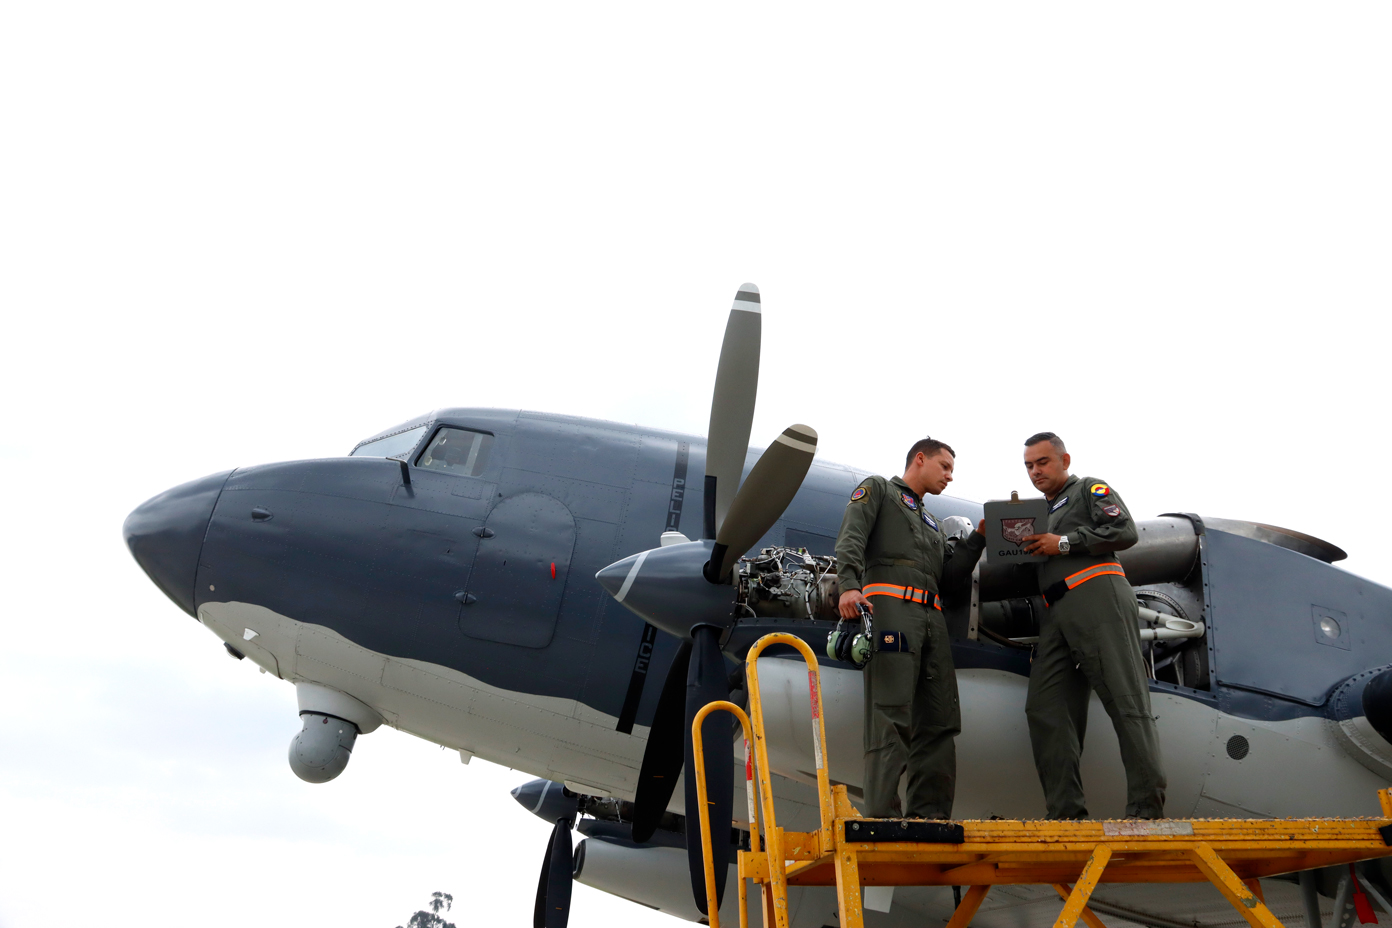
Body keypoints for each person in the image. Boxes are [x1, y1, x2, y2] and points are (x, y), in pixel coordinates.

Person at [834, 437, 985, 819]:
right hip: (892, 613)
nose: (950, 476)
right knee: (891, 713)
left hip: (931, 619)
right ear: (920, 459)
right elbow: (852, 537)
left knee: (940, 719)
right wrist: (849, 585)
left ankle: (929, 815)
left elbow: (949, 578)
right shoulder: (879, 490)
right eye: (945, 467)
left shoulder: (932, 522)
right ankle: (882, 814)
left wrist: (979, 539)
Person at [1019, 431, 1166, 819]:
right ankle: (1066, 813)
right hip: (1057, 613)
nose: (1035, 471)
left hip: (1097, 597)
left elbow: (1125, 531)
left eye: (1043, 462)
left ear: (1064, 461)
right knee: (1045, 708)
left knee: (1125, 699)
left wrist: (1063, 543)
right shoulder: (1039, 514)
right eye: (1029, 466)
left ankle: (1146, 808)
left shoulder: (1089, 489)